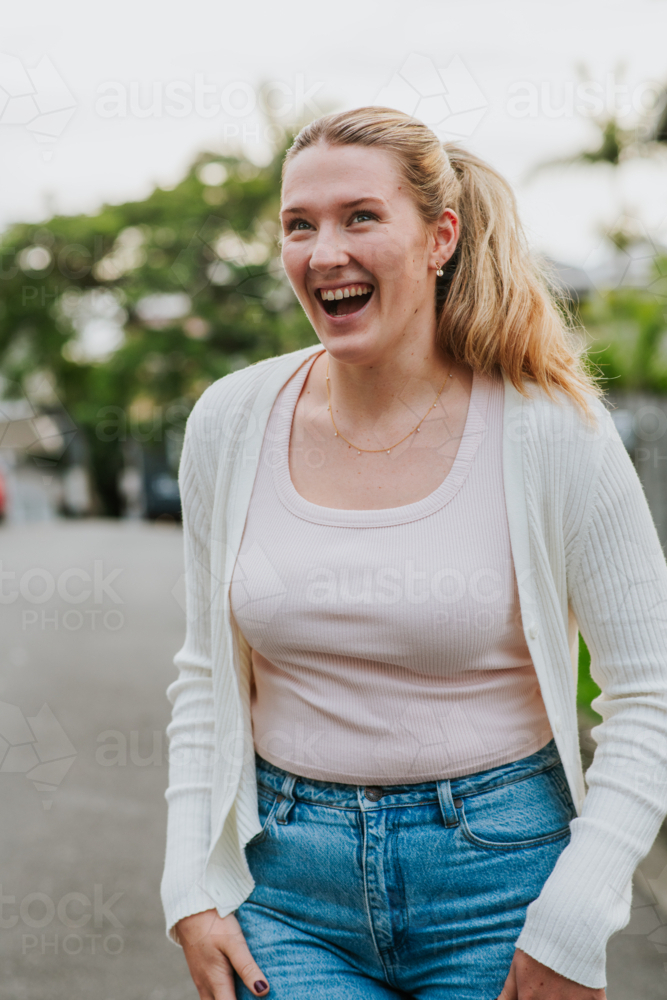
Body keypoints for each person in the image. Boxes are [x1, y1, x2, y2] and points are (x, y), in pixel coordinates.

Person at [160, 107, 667, 999]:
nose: (324, 253)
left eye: (361, 217)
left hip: (501, 887)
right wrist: (188, 890)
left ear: (440, 237)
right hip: (284, 893)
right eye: (298, 225)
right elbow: (206, 674)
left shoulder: (554, 434)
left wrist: (575, 917)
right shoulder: (230, 421)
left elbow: (650, 695)